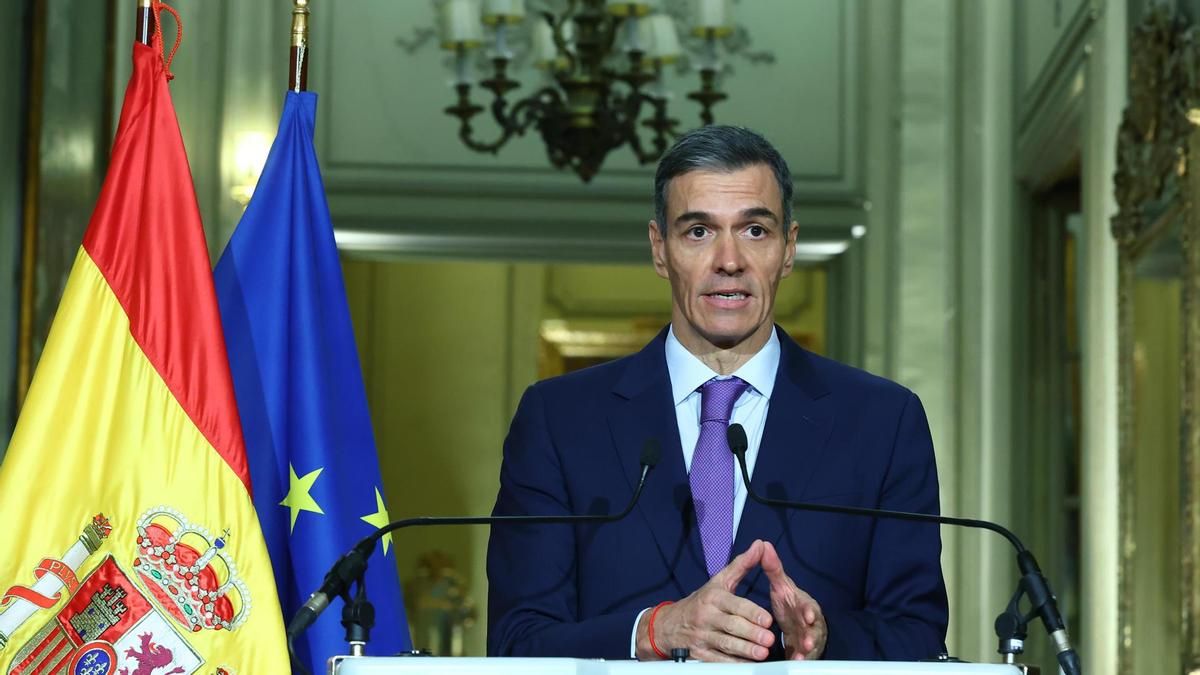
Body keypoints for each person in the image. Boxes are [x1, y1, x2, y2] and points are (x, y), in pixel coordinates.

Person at [486, 125, 948, 662]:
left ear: (789, 249)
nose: (729, 260)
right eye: (699, 232)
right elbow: (516, 640)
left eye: (755, 230)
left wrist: (826, 640)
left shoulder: (882, 422)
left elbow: (916, 636)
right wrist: (653, 631)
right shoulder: (559, 421)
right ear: (660, 250)